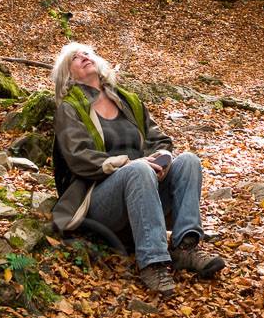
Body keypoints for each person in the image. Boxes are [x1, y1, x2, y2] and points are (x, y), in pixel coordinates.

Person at [49, 41, 225, 297]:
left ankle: (185, 247)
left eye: (87, 53)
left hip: (144, 190)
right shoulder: (70, 109)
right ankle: (153, 262)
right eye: (75, 58)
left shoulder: (128, 101)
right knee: (139, 170)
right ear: (68, 75)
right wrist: (127, 163)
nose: (84, 57)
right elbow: (78, 158)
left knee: (189, 161)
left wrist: (162, 157)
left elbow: (159, 139)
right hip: (97, 201)